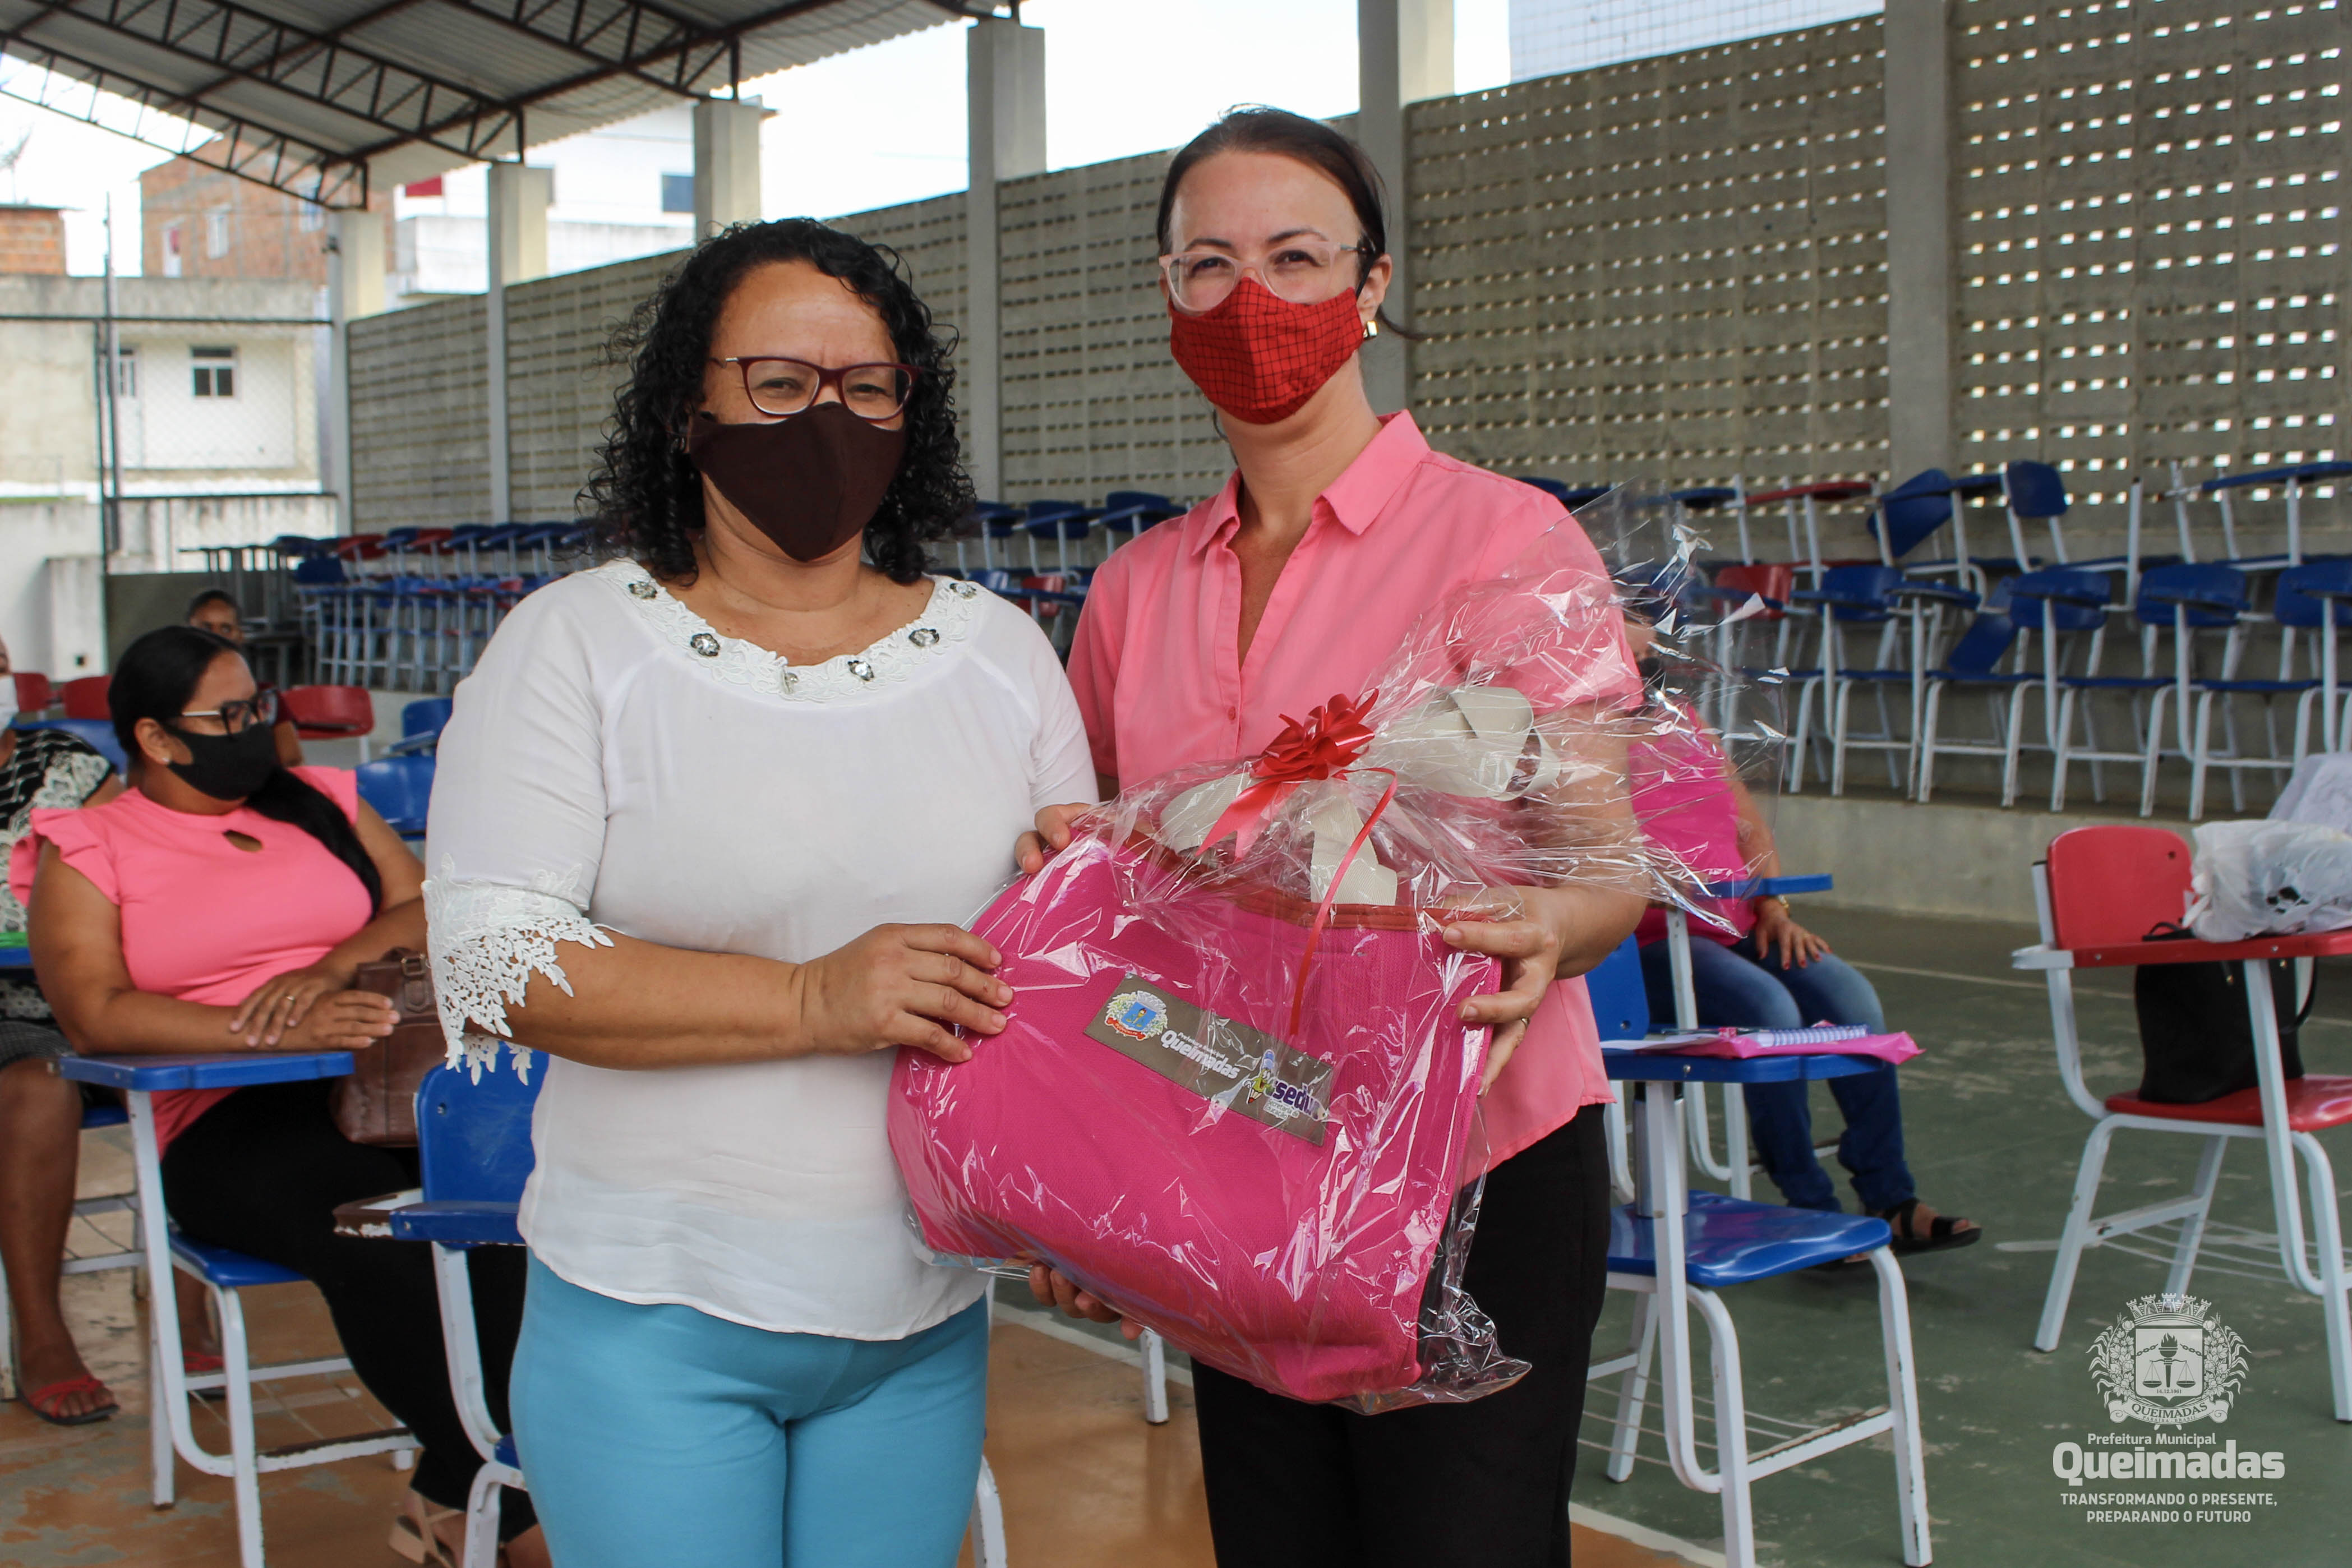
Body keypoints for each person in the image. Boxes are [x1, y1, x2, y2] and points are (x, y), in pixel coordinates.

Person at [1021, 109, 1645, 1568]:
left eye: (1296, 258)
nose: (1251, 299)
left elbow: (1606, 864)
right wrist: (1100, 1173)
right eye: (1209, 265)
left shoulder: (1505, 540)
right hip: (1236, 1139)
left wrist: (1554, 929)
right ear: (1168, 296)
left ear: (1370, 287)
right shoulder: (1133, 590)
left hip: (1472, 1154)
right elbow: (1101, 897)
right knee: (1274, 1538)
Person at [423, 218, 1093, 1568]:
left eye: (868, 386)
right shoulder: (576, 644)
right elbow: (493, 964)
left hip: (918, 1315)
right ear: (691, 412)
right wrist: (809, 999)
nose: (826, 418)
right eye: (779, 383)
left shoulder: (1003, 655)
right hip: (652, 1314)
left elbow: (1062, 977)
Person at [18, 625, 548, 1566]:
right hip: (223, 1120)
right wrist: (274, 1028)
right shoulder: (89, 845)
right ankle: (513, 1515)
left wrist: (326, 973)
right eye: (226, 716)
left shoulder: (319, 801)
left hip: (382, 1091)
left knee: (505, 1224)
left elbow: (428, 905)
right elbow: (95, 1015)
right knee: (377, 1237)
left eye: (258, 705)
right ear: (156, 739)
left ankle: (453, 1492)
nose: (254, 728)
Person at [1626, 615, 1980, 1252]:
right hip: (1652, 942)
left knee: (1853, 1002)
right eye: (1628, 619)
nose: (1644, 630)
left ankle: (1889, 1194)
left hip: (1737, 920)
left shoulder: (1684, 720)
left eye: (1643, 621)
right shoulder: (1580, 736)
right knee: (1769, 1010)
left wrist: (1775, 909)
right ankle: (1808, 1204)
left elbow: (1751, 829)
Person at [0, 631, 137, 1424]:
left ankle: (174, 1305)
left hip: (69, 996)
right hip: (15, 1010)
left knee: (53, 1086)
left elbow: (134, 877)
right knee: (40, 1083)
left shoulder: (67, 766)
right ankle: (43, 1332)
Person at [186, 588, 303, 765]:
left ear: (239, 636)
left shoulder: (266, 698)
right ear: (187, 633)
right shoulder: (177, 697)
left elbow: (292, 761)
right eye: (206, 628)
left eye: (226, 629)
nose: (215, 637)